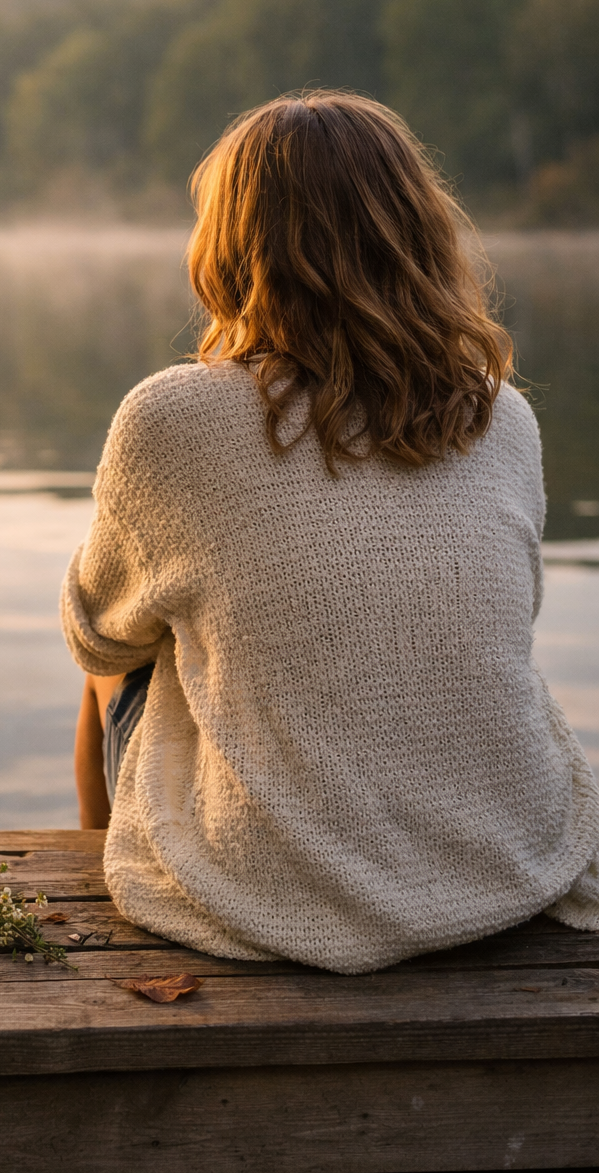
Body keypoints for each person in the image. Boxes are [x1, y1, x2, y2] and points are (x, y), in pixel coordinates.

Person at [62, 90, 599, 975]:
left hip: (265, 893)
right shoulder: (505, 418)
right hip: (511, 862)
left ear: (233, 249)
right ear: (421, 234)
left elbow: (93, 629)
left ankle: (98, 881)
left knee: (120, 652)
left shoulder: (172, 419)